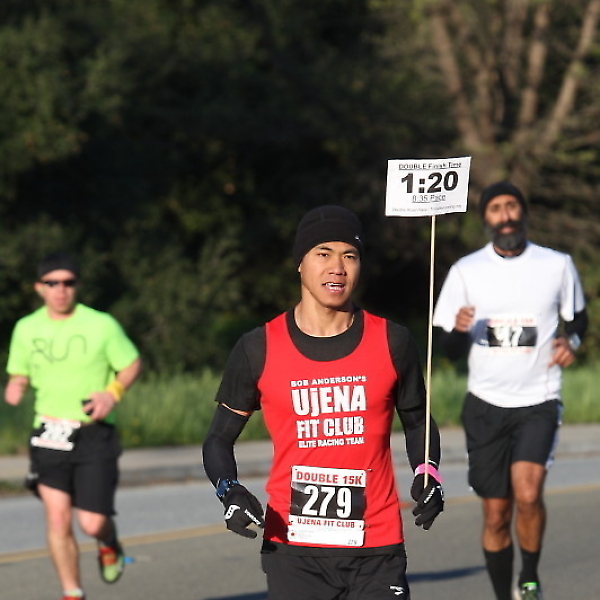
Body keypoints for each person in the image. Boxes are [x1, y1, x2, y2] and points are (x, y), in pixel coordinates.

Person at [202, 205, 444, 600]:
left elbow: (417, 421)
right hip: (293, 549)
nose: (338, 267)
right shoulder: (258, 347)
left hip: (377, 545)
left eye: (350, 255)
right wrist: (229, 490)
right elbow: (218, 438)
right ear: (300, 263)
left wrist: (428, 472)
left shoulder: (392, 341)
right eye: (324, 253)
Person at [432, 182, 588, 600]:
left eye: (512, 206)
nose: (505, 215)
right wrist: (458, 330)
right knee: (497, 513)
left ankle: (530, 580)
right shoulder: (466, 271)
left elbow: (578, 320)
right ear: (486, 219)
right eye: (496, 208)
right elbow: (448, 349)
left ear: (524, 213)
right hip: (485, 404)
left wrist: (571, 342)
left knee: (529, 494)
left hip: (539, 399)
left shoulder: (556, 265)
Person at [4, 252, 142, 600]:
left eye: (68, 282)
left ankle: (108, 540)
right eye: (52, 283)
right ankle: (72, 593)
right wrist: (16, 384)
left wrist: (112, 393)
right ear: (39, 287)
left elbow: (131, 363)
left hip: (93, 434)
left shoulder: (101, 324)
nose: (61, 289)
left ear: (77, 285)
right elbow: (19, 370)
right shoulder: (26, 328)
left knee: (92, 523)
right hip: (49, 434)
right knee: (57, 519)